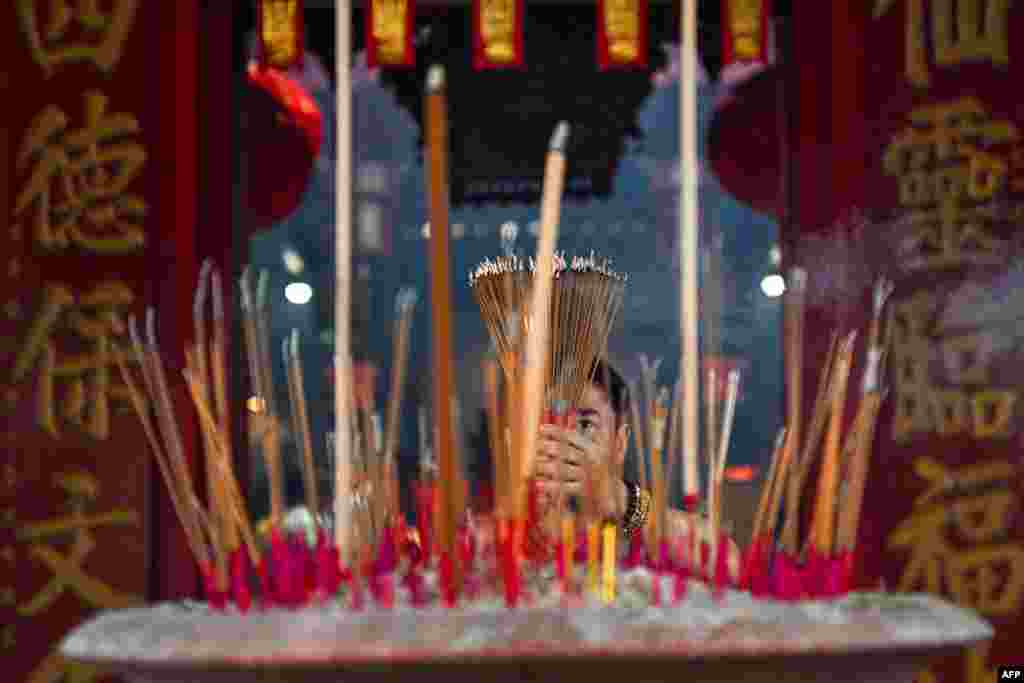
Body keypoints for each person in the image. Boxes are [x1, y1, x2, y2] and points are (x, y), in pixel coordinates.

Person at [530, 359, 741, 578]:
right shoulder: (514, 529)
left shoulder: (638, 534)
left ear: (620, 444)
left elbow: (730, 563)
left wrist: (620, 499)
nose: (566, 440)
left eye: (584, 425)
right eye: (551, 422)